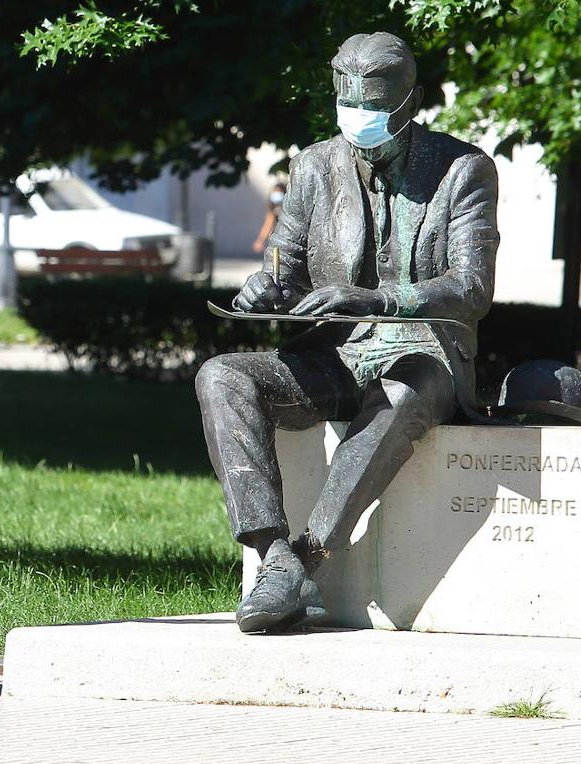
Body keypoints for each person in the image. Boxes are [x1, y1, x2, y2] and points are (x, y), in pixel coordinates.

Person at [196, 32, 499, 633]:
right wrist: (267, 287)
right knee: (222, 376)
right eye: (349, 109)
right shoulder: (314, 164)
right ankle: (274, 555)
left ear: (409, 103)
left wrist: (379, 298)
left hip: (424, 352)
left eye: (374, 112)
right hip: (334, 351)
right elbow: (286, 264)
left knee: (402, 394)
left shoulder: (463, 170)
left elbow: (471, 288)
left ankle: (312, 556)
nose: (358, 125)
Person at [251, 181, 286, 254]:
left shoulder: (287, 208)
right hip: (277, 241)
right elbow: (268, 224)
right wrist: (261, 240)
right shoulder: (273, 208)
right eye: (275, 192)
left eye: (279, 192)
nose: (277, 195)